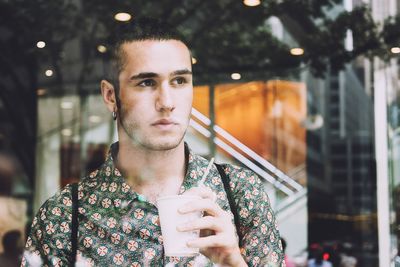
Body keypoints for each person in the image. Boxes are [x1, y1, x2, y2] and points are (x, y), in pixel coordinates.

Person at [22, 17, 284, 266]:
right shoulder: (65, 216)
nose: (167, 102)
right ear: (111, 96)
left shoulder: (239, 193)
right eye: (147, 82)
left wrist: (234, 263)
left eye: (180, 81)